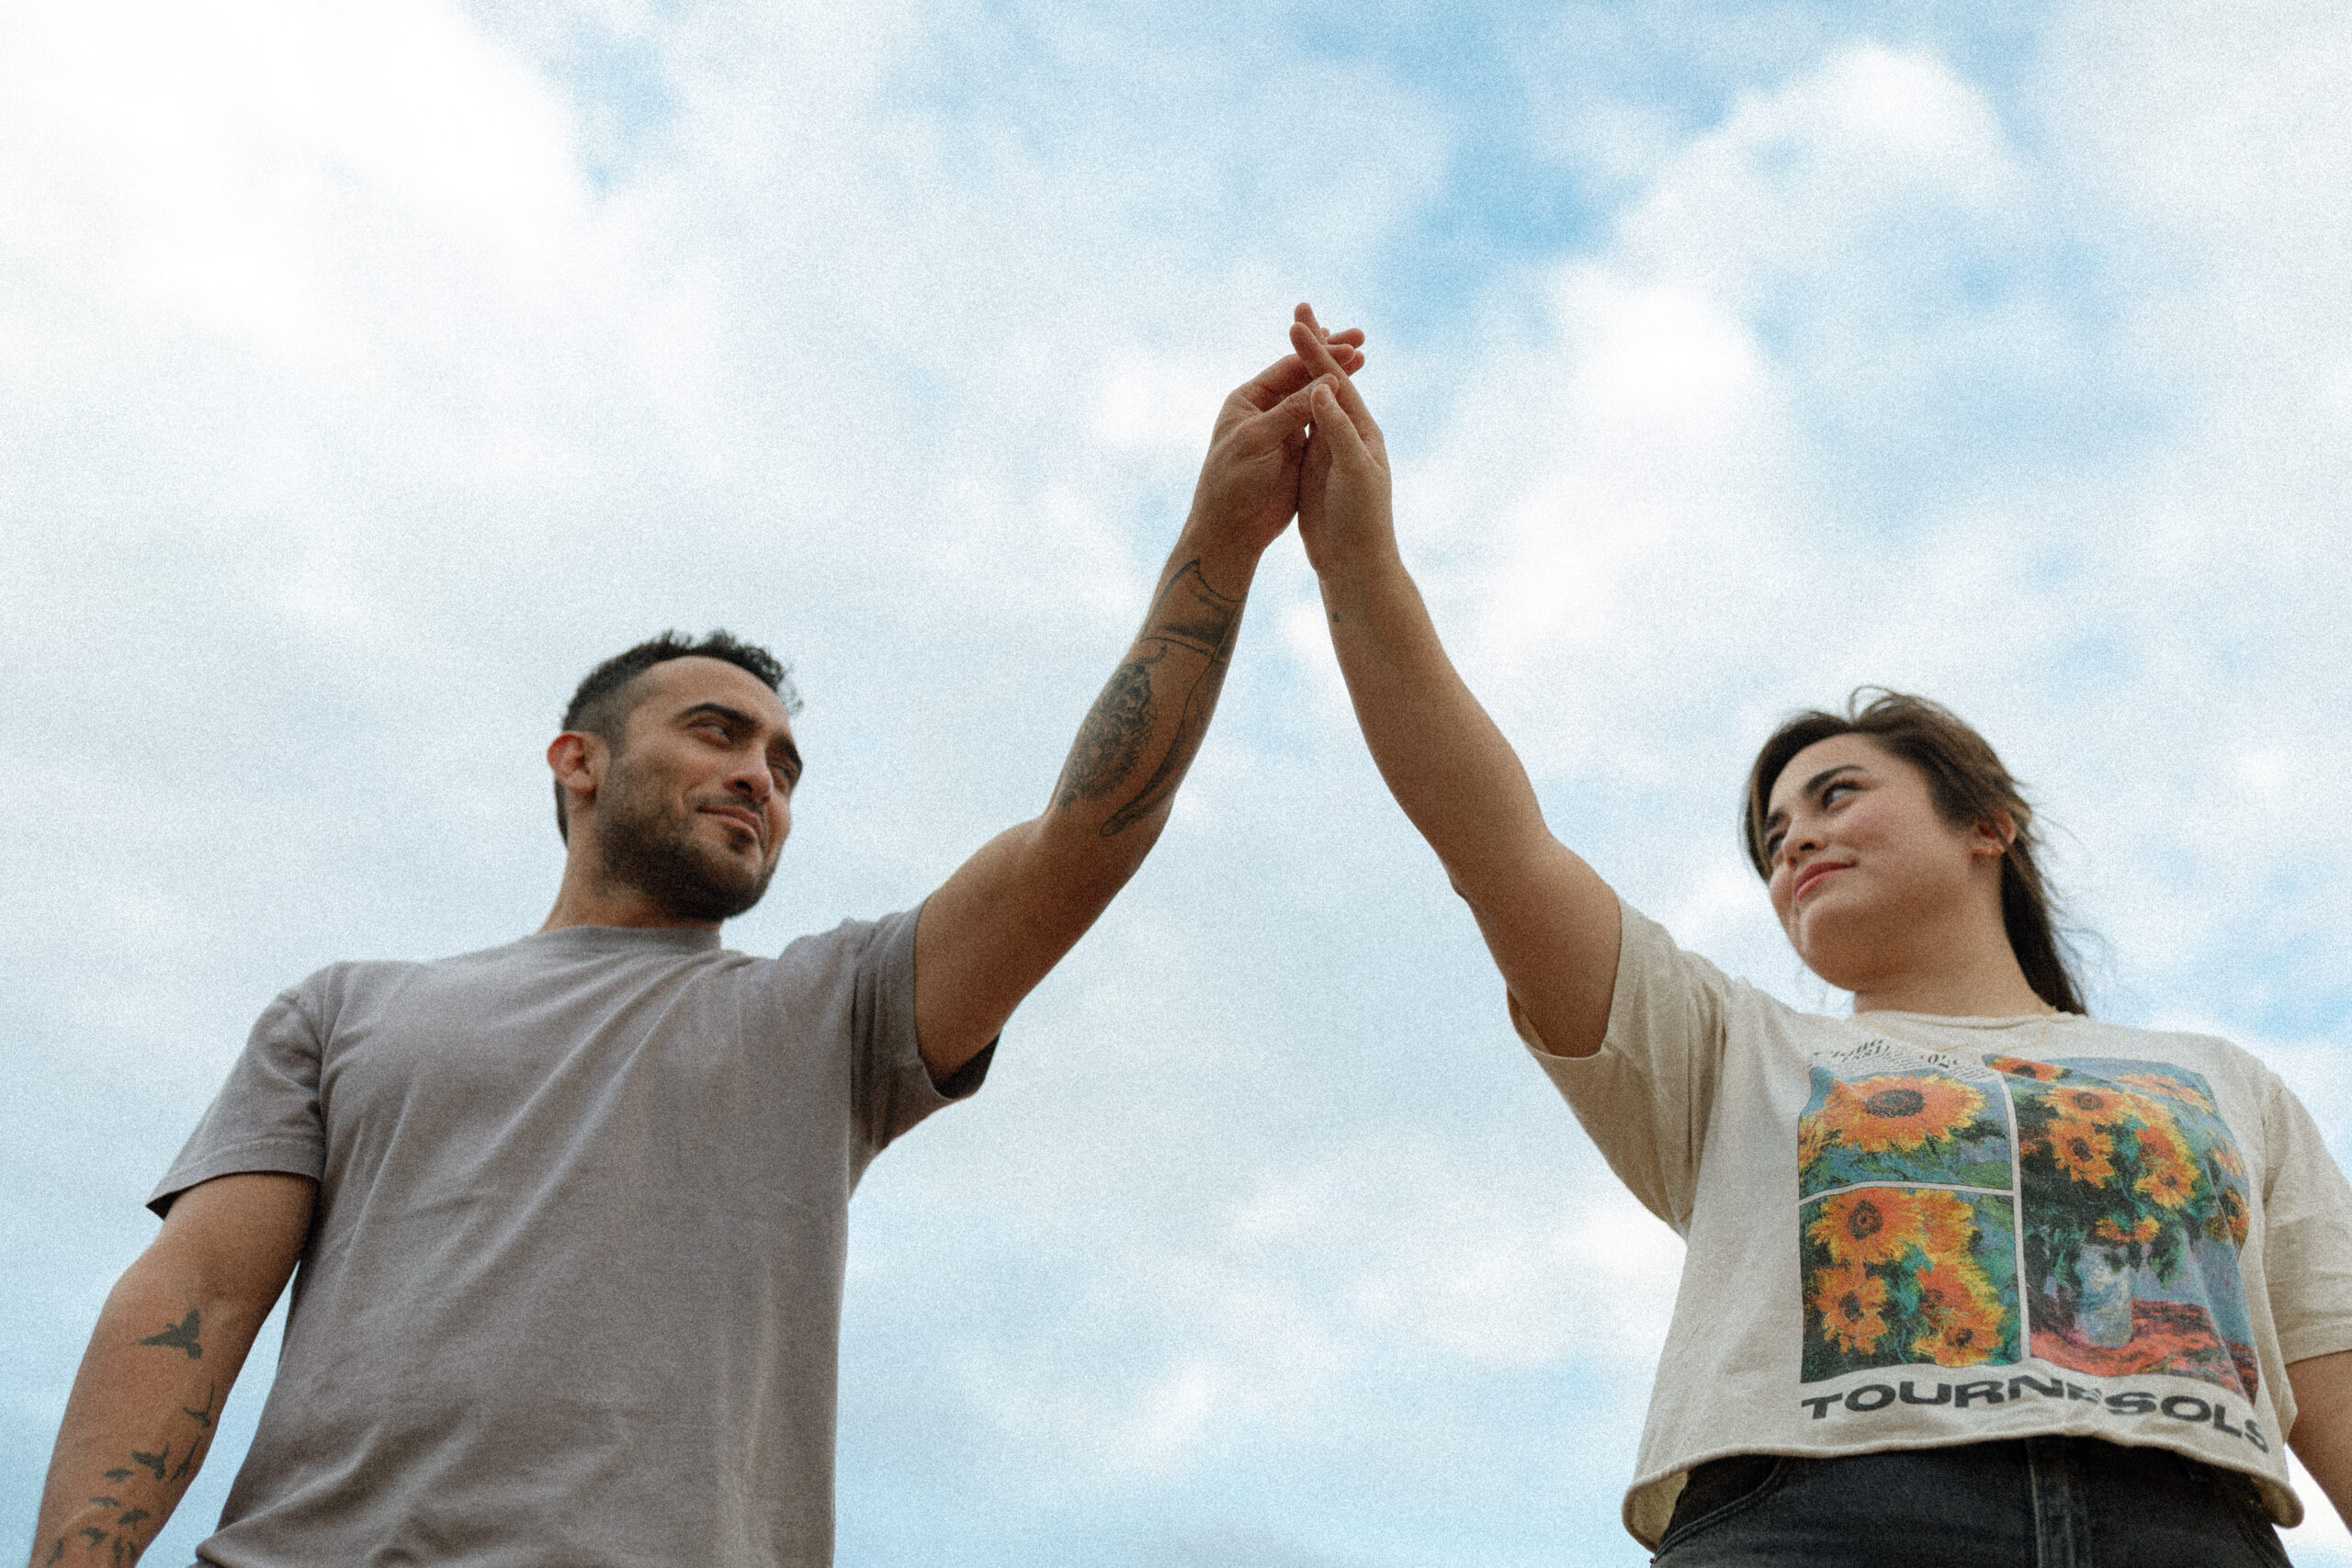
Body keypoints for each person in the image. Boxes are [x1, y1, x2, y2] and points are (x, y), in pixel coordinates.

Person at [28, 316, 1365, 1568]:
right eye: (717, 734)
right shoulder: (347, 1011)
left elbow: (1091, 831)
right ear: (579, 763)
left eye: (785, 763)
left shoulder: (833, 1016)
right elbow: (194, 1291)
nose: (760, 777)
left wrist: (1220, 541)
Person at [1281, 307, 2352, 1564]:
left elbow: (2332, 1400)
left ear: (1986, 824)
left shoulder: (2224, 1085)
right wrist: (1360, 568)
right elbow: (1495, 844)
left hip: (2189, 1527)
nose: (1794, 841)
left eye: (1837, 794)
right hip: (1816, 1525)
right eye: (1773, 834)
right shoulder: (1726, 1052)